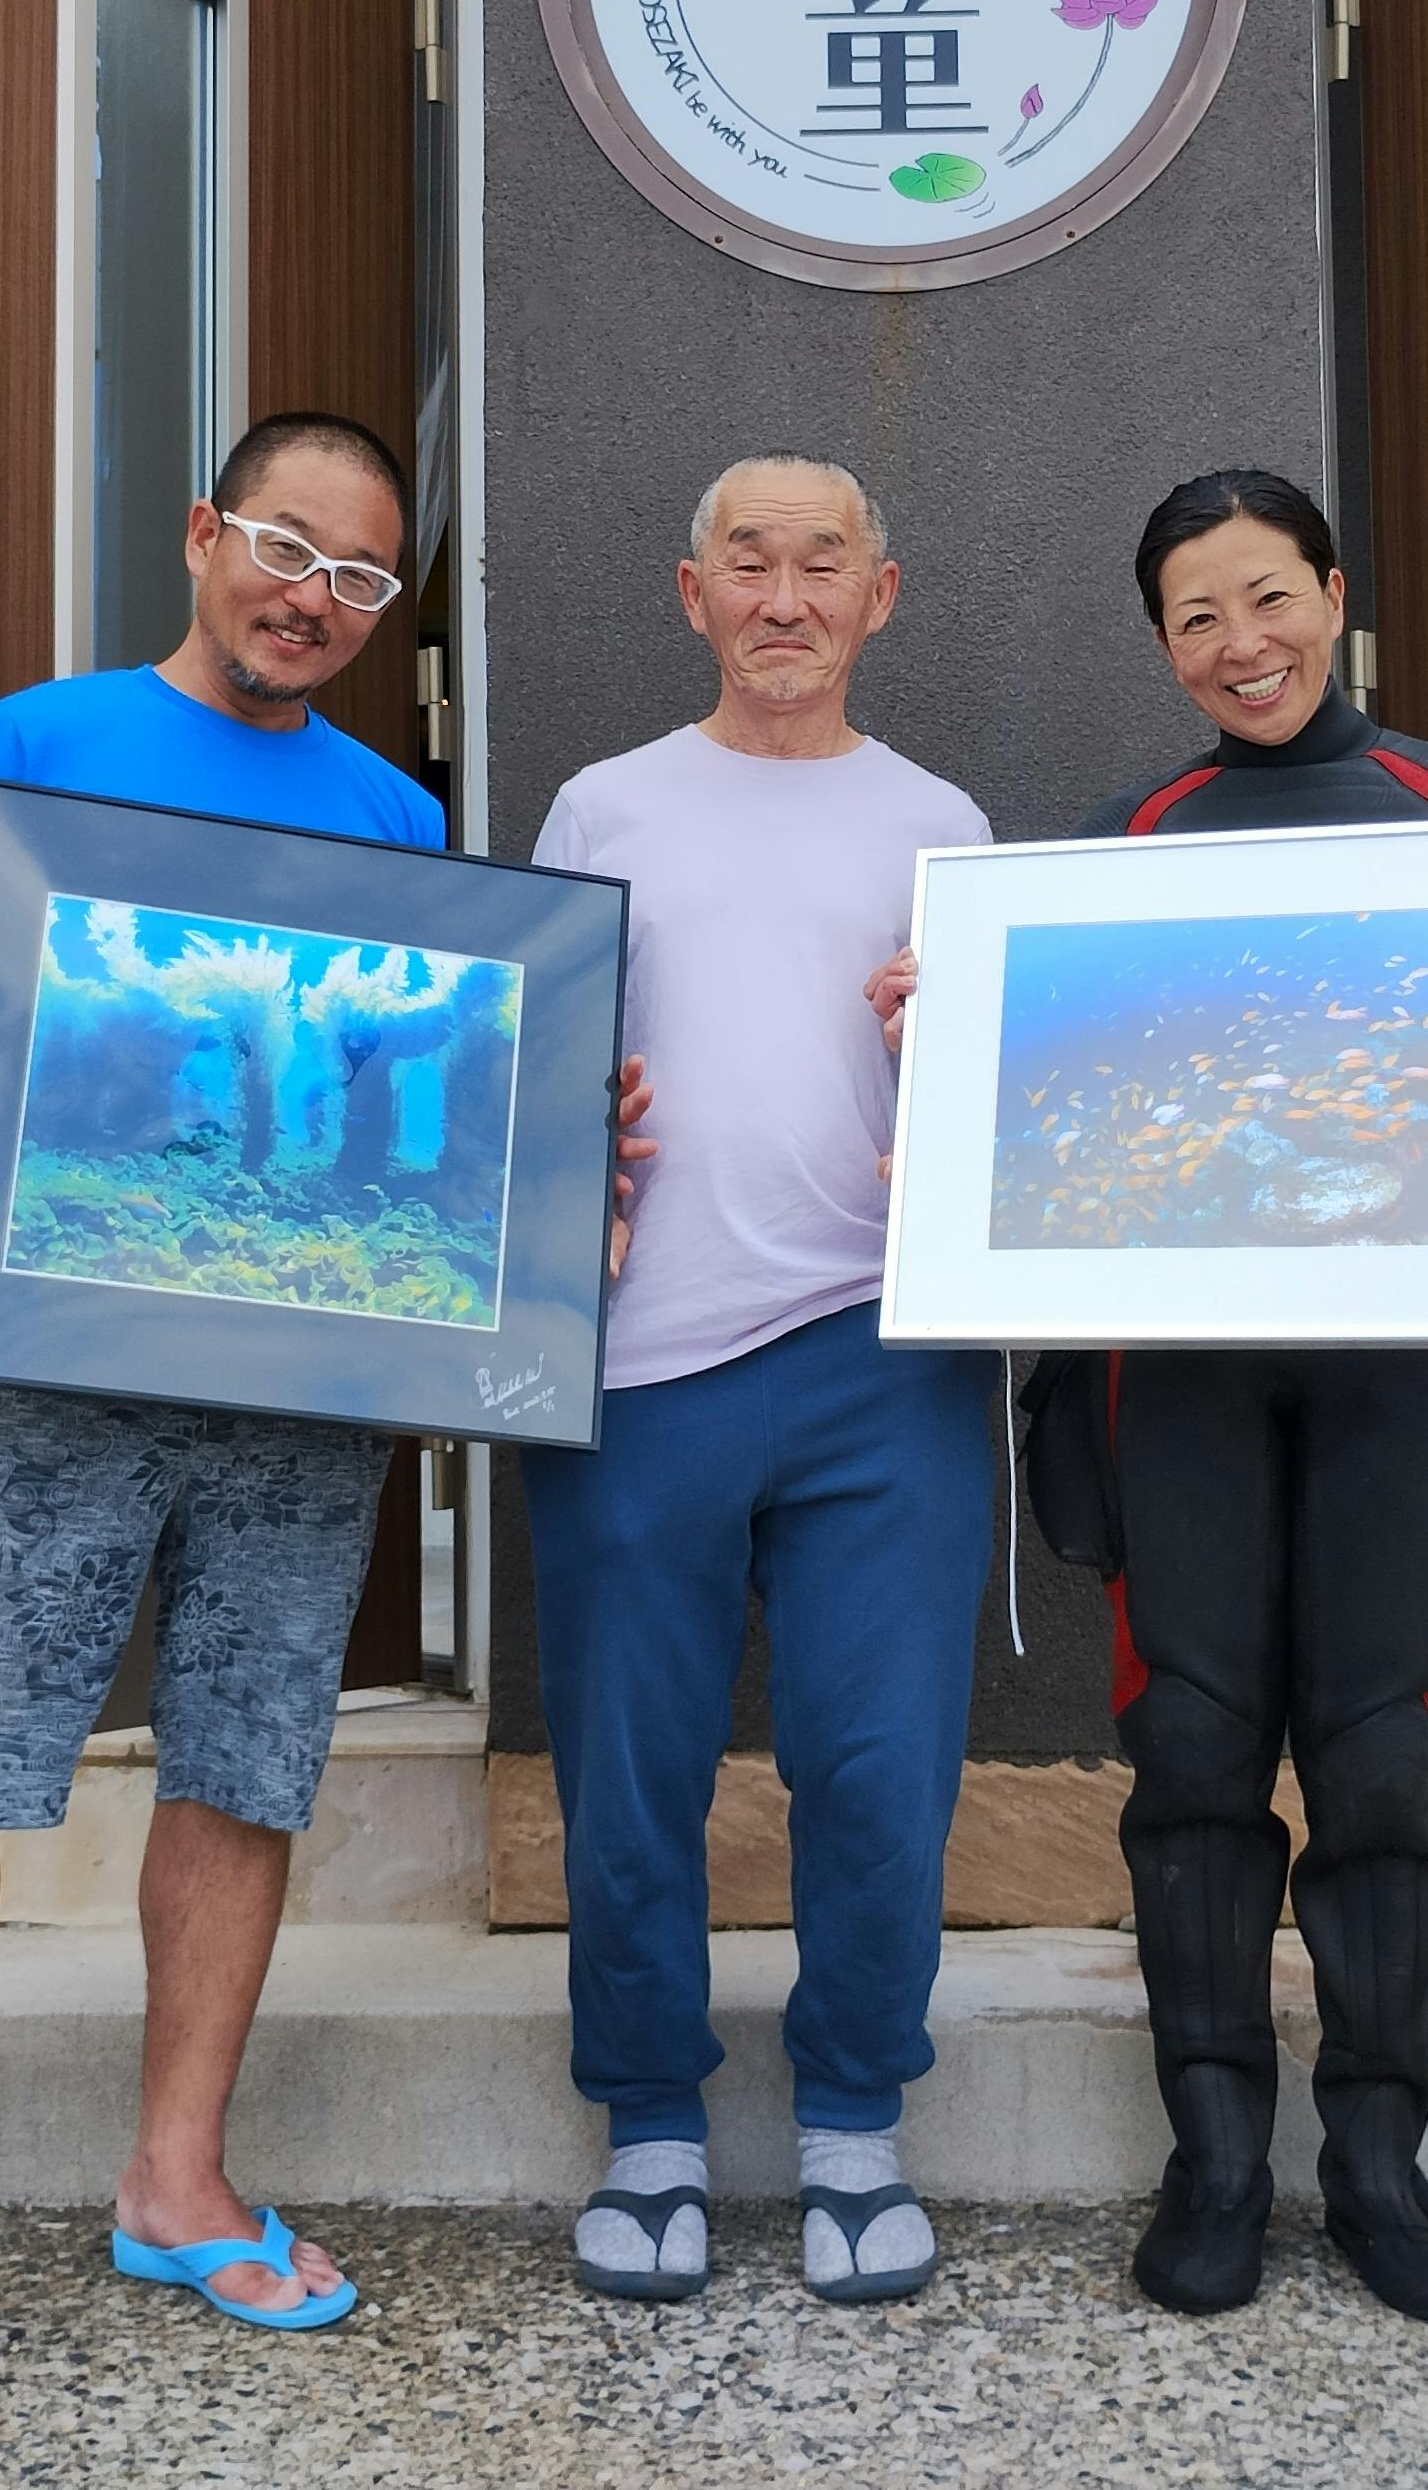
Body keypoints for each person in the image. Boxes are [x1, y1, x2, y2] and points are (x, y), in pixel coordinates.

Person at [0, 412, 578, 2418]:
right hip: (38, 1372)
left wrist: (551, 1143)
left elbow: (418, 1098)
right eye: (286, 547)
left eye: (360, 577)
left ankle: (179, 2182)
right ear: (201, 534)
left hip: (299, 1392)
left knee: (244, 1772)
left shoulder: (397, 816)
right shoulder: (35, 744)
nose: (313, 598)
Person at [901, 466, 1428, 2329]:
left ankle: (1379, 2159)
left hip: (1407, 1378)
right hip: (1171, 1380)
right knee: (1189, 1744)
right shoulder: (1119, 844)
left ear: (1334, 593)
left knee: (1380, 1752)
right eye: (1197, 618)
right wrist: (952, 1044)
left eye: (1268, 597)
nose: (1240, 644)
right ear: (1163, 647)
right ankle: (1213, 2157)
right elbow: (1056, 1111)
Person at [521, 454, 999, 2307]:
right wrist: (568, 1131)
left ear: (882, 595)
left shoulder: (941, 819)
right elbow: (533, 1062)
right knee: (629, 1770)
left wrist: (949, 1061)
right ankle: (649, 2125)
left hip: (886, 1355)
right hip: (642, 1360)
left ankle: (854, 2123)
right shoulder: (604, 803)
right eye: (749, 563)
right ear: (692, 592)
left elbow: (1006, 1092)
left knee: (880, 1769)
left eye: (822, 565)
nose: (784, 599)